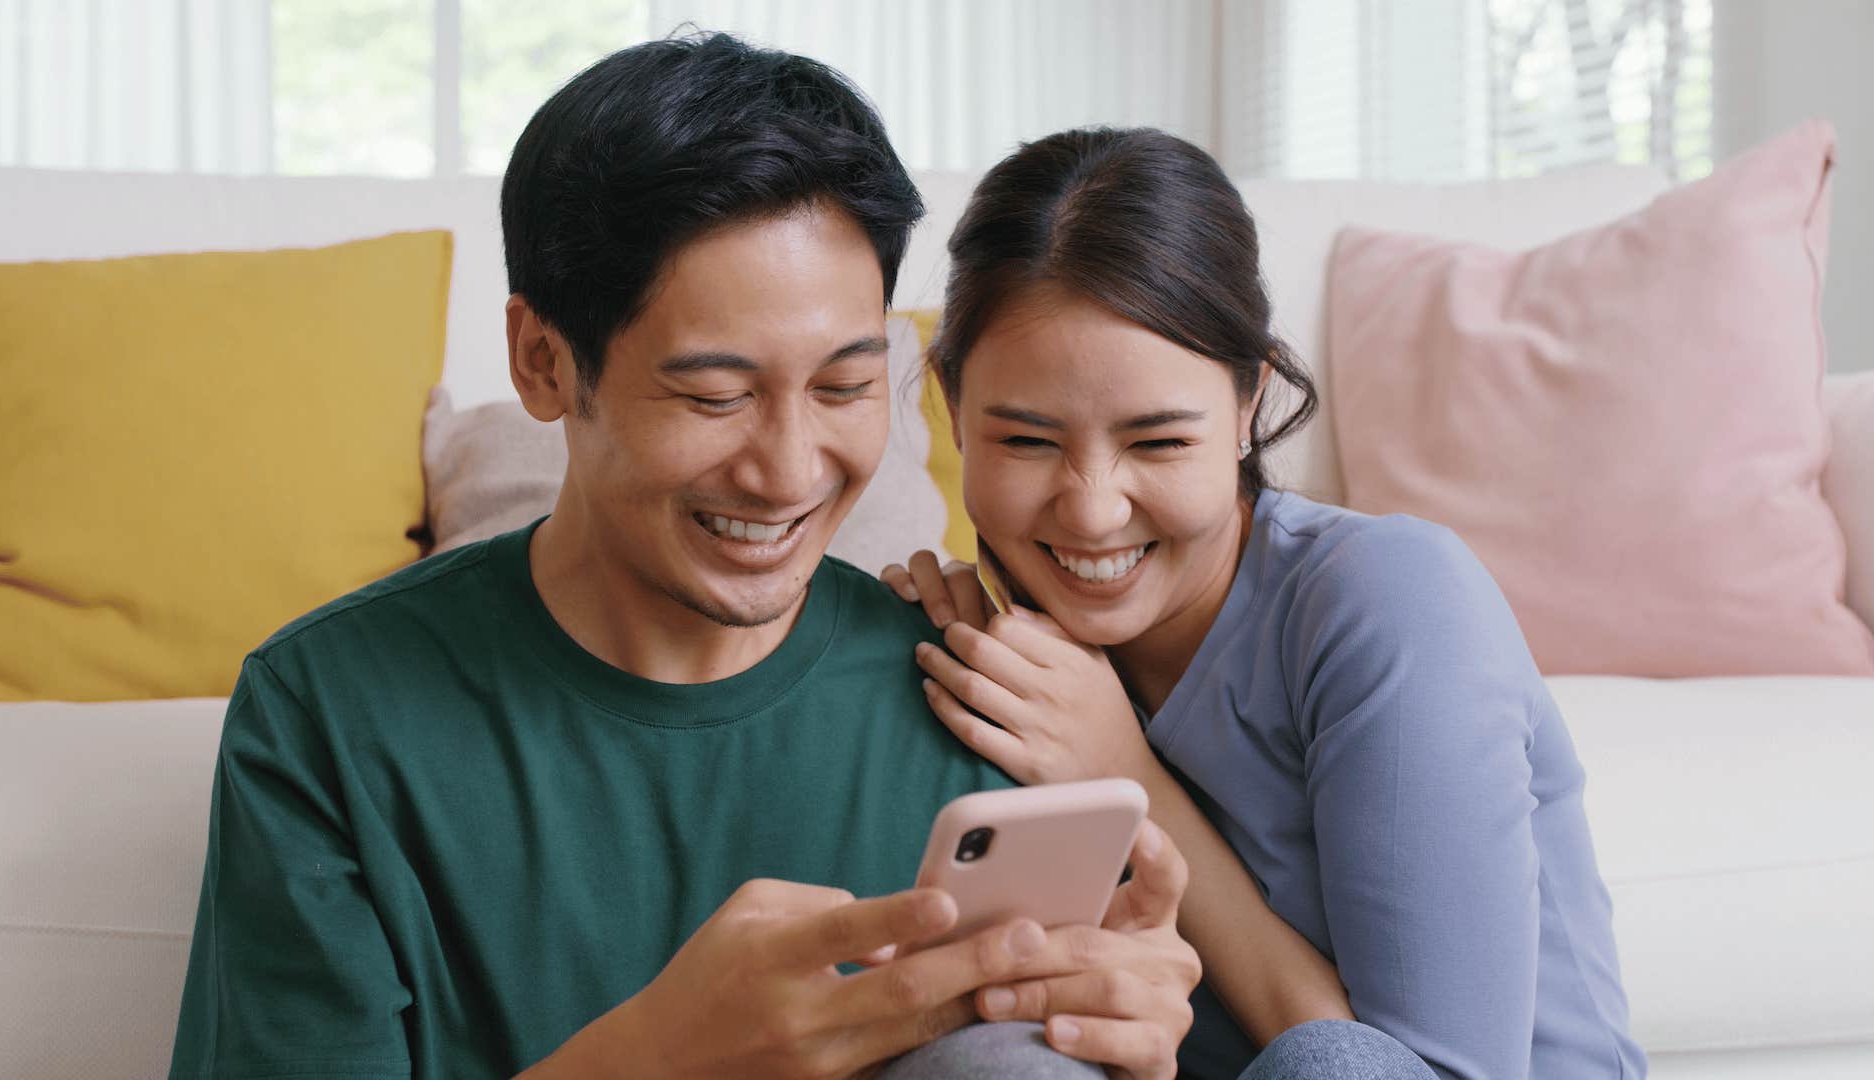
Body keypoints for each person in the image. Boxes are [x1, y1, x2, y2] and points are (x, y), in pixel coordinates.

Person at [166, 36, 1203, 1080]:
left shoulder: (981, 695)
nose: (789, 472)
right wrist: (654, 1060)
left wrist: (1123, 1042)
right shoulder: (328, 716)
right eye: (716, 396)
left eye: (845, 387)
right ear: (543, 361)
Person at [883, 127, 1647, 1079]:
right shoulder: (1004, 648)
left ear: (1248, 405)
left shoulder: (1388, 600)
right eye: (1028, 443)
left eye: (1157, 443)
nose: (1090, 510)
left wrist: (1125, 775)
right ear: (952, 410)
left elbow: (1405, 1068)